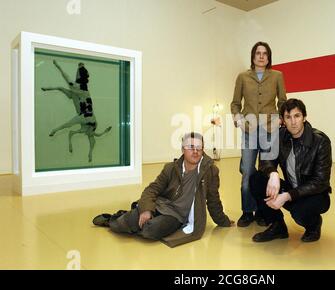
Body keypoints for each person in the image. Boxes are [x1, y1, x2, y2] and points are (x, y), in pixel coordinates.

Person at [93, 132, 234, 248]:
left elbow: (213, 200)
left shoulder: (211, 171)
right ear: (183, 149)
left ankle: (138, 217)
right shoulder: (171, 168)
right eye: (191, 147)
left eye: (199, 147)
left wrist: (224, 221)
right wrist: (147, 210)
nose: (195, 151)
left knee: (150, 231)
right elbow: (152, 189)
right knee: (123, 225)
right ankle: (113, 219)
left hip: (176, 216)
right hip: (161, 205)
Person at [250, 98, 332, 243]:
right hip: (292, 189)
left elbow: (320, 181)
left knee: (299, 211)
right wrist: (273, 173)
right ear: (283, 120)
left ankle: (313, 225)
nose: (293, 122)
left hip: (315, 194)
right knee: (256, 179)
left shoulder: (320, 141)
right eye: (288, 117)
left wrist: (288, 196)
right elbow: (265, 160)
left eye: (297, 116)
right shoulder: (280, 136)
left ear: (304, 117)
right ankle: (277, 226)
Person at [230, 41, 287, 227]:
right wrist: (238, 118)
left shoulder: (277, 76)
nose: (261, 56)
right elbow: (235, 103)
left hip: (270, 130)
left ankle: (263, 212)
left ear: (269, 57)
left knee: (266, 172)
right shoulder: (242, 77)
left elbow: (283, 101)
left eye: (265, 53)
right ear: (253, 56)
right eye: (258, 53)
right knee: (247, 171)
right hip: (249, 130)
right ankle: (247, 211)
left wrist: (280, 119)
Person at [41, 60, 112, 162]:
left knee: (69, 124)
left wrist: (58, 66)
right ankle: (56, 131)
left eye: (78, 71)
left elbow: (67, 79)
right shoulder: (79, 90)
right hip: (87, 116)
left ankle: (55, 130)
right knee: (76, 127)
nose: (76, 73)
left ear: (80, 76)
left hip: (86, 116)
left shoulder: (79, 89)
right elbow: (68, 91)